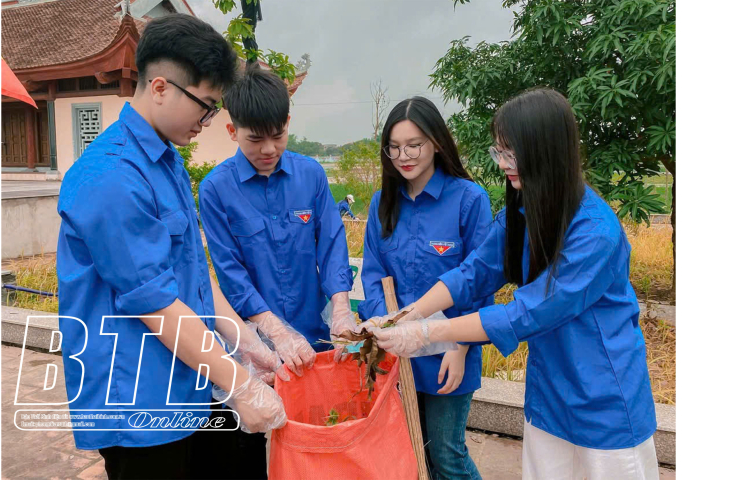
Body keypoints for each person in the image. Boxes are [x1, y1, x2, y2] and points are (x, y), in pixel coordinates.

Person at [367, 88, 660, 480]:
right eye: (499, 152)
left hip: (603, 401)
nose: (503, 163)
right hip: (549, 394)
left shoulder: (594, 232)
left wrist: (426, 333)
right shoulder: (523, 212)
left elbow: (528, 312)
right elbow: (473, 272)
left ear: (546, 150)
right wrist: (407, 315)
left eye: (511, 152)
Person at [56, 15, 287, 479]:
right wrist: (240, 385)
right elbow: (155, 302)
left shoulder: (166, 162)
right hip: (140, 400)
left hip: (191, 377)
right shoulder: (112, 176)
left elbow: (192, 273)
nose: (207, 121)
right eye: (205, 107)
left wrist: (244, 340)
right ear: (160, 87)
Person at [198, 65, 356, 477]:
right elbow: (230, 272)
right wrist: (274, 332)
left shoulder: (311, 174)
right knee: (249, 450)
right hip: (254, 346)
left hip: (314, 339)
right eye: (255, 139)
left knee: (318, 444)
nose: (269, 149)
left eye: (278, 135)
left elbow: (332, 244)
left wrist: (341, 308)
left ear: (287, 122)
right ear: (232, 131)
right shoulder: (216, 189)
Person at [357, 97, 491, 480]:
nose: (404, 156)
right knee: (410, 452)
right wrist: (383, 325)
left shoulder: (469, 200)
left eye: (414, 145)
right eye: (394, 147)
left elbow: (481, 281)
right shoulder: (383, 203)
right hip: (397, 352)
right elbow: (373, 273)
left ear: (436, 142)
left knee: (447, 454)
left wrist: (461, 347)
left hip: (449, 350)